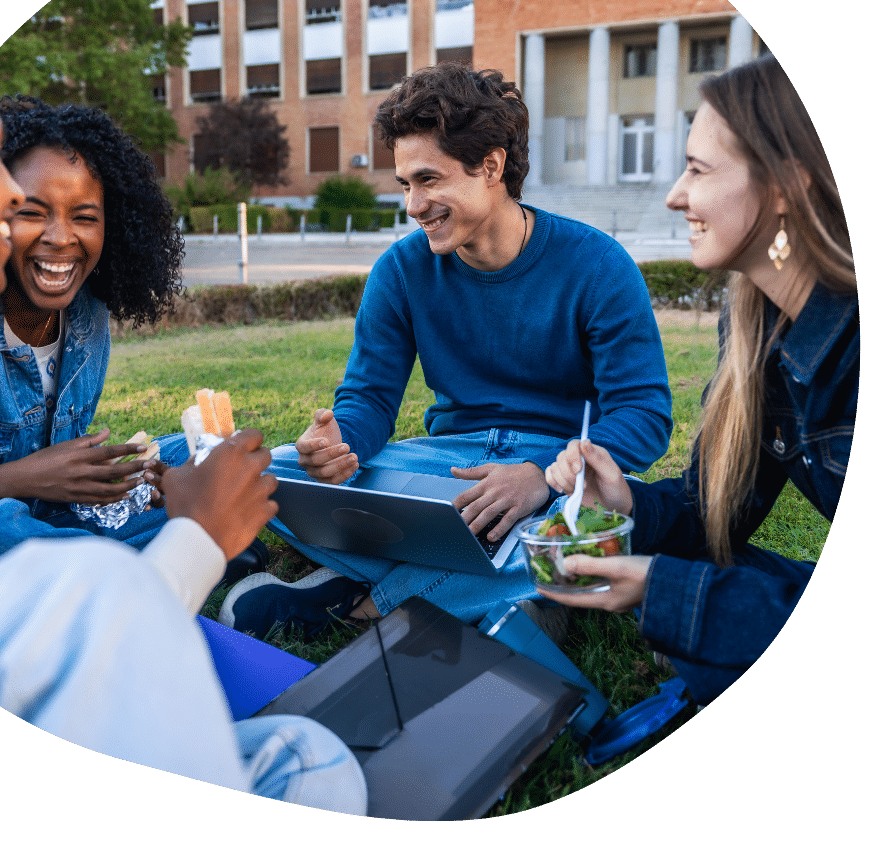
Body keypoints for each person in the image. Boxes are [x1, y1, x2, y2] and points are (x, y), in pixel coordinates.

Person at [0, 74, 367, 813]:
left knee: (310, 756)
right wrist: (30, 483)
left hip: (57, 531)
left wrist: (131, 478)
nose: (12, 205)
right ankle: (193, 550)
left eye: (82, 214)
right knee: (40, 552)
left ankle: (251, 514)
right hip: (7, 543)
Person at [219, 65, 673, 637]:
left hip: (557, 475)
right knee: (270, 475)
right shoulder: (401, 271)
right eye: (405, 183)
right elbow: (367, 399)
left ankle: (370, 605)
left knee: (599, 530)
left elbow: (645, 416)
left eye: (428, 180)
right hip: (447, 473)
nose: (412, 205)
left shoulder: (598, 265)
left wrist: (541, 476)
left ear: (490, 166)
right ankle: (510, 594)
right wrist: (339, 446)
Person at [540, 55, 857, 706]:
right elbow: (717, 509)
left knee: (695, 615)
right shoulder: (755, 323)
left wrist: (664, 594)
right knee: (694, 594)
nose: (674, 195)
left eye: (698, 169)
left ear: (781, 189)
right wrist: (626, 502)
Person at [0, 96, 191, 570]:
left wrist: (121, 476)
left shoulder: (88, 316)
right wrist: (14, 480)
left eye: (84, 217)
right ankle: (168, 549)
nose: (61, 238)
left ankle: (107, 559)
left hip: (56, 514)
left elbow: (64, 472)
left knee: (196, 454)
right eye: (32, 212)